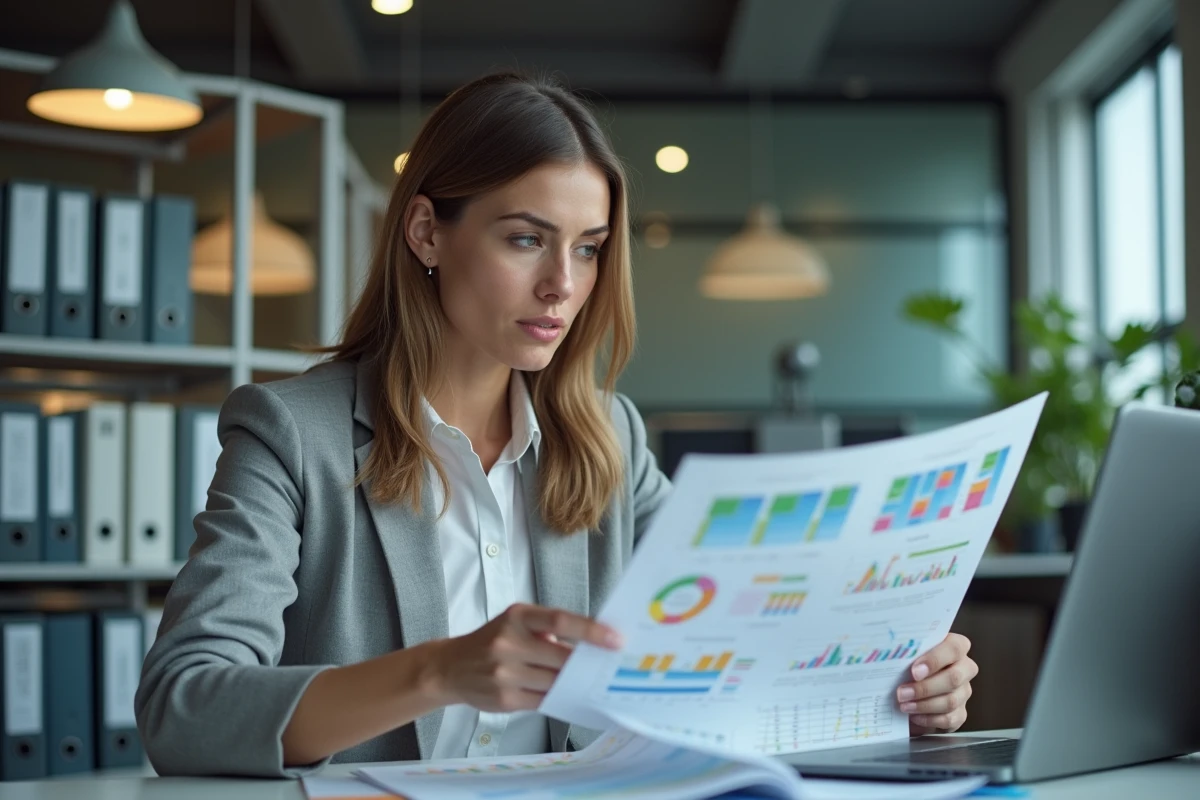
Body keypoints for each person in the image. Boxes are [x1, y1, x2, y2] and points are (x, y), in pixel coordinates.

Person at [134, 72, 978, 778]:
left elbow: (731, 653)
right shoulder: (291, 432)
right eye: (526, 239)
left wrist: (893, 682)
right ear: (427, 232)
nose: (562, 287)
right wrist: (439, 670)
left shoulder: (610, 438)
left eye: (588, 247)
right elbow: (183, 707)